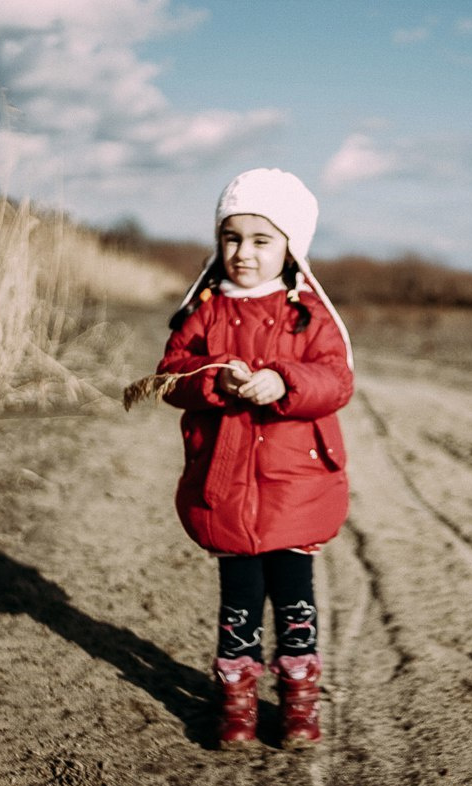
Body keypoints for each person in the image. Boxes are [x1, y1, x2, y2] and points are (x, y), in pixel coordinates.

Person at [155, 168, 354, 750]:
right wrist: (215, 377)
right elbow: (171, 377)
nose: (243, 252)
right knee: (238, 600)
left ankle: (298, 707)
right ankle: (236, 707)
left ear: (292, 245)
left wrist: (283, 380)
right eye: (232, 237)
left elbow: (336, 380)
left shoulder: (308, 313)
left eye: (261, 240)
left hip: (297, 482)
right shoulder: (206, 311)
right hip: (227, 482)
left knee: (295, 601)